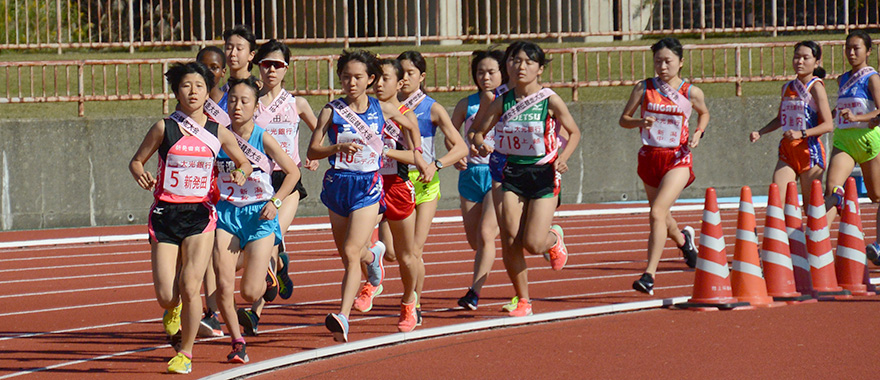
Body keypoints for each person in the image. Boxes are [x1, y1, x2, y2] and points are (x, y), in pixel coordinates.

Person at [128, 62, 252, 374]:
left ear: (207, 90)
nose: (193, 91)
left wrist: (239, 172)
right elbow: (136, 161)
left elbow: (244, 162)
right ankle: (175, 309)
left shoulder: (217, 131)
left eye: (199, 85)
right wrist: (140, 173)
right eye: (186, 86)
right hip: (165, 214)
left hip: (200, 215)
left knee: (190, 282)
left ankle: (185, 352)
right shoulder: (164, 127)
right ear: (177, 91)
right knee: (166, 295)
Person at [308, 50, 418, 342]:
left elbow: (411, 125)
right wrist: (335, 149)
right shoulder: (331, 111)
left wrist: (416, 151)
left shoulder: (383, 108)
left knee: (350, 251)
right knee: (351, 256)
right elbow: (312, 151)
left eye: (357, 77)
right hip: (337, 185)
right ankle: (374, 256)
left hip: (368, 186)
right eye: (345, 77)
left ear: (370, 79)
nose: (351, 82)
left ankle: (343, 316)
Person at [472, 41, 581, 317]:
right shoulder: (502, 100)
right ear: (507, 65)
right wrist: (482, 143)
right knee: (510, 237)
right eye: (515, 61)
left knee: (532, 243)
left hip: (543, 173)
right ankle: (524, 300)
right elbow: (478, 132)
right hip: (511, 173)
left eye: (528, 62)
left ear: (540, 69)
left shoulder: (549, 99)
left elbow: (574, 132)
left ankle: (553, 240)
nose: (521, 67)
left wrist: (563, 157)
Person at [234, 39, 320, 336]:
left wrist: (314, 154)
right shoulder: (250, 100)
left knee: (268, 242)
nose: (271, 70)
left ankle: (254, 314)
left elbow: (320, 130)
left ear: (287, 68)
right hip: (255, 183)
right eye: (266, 64)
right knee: (257, 250)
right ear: (258, 64)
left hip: (287, 183)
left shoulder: (297, 103)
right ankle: (279, 269)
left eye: (278, 65)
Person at [213, 76, 301, 364]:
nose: (237, 106)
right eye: (233, 100)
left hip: (260, 215)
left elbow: (293, 173)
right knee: (224, 284)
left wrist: (276, 203)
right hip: (228, 212)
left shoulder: (262, 137)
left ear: (255, 106)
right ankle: (237, 341)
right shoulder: (217, 135)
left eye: (245, 101)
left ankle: (268, 270)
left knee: (250, 291)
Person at [618, 37, 709, 295]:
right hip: (649, 158)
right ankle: (685, 243)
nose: (662, 66)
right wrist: (639, 123)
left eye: (668, 61)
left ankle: (649, 275)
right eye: (657, 61)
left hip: (677, 158)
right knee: (662, 216)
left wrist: (698, 132)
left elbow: (704, 112)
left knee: (657, 213)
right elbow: (623, 119)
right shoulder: (644, 88)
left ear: (680, 62)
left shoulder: (691, 92)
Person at [397, 50, 468, 323]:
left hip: (426, 183)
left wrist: (436, 164)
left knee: (415, 251)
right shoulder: (387, 106)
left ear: (421, 77)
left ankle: (414, 302)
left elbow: (460, 146)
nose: (404, 79)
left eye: (410, 73)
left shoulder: (432, 108)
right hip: (397, 181)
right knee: (394, 252)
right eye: (400, 73)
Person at [367, 58, 429, 332]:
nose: (379, 84)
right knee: (354, 247)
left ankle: (408, 302)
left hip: (397, 187)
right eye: (376, 78)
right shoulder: (363, 110)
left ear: (399, 82)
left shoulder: (406, 115)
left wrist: (385, 152)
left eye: (386, 79)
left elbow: (416, 156)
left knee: (406, 255)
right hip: (368, 184)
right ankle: (372, 269)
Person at [750, 40, 833, 211]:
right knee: (776, 204)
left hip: (809, 152)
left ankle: (834, 203)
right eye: (796, 57)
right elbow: (781, 118)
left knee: (812, 210)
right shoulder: (787, 87)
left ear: (816, 62)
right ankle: (783, 238)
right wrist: (761, 132)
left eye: (805, 58)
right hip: (788, 151)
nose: (800, 62)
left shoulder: (816, 87)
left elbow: (828, 125)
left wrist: (801, 133)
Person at [452, 49, 506, 310]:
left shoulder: (510, 100)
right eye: (480, 72)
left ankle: (473, 292)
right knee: (475, 241)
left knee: (486, 233)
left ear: (502, 73)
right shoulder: (467, 104)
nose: (485, 77)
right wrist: (456, 155)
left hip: (498, 173)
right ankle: (542, 234)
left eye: (491, 72)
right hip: (470, 174)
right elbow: (451, 135)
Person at [821, 31, 880, 263]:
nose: (852, 53)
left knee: (877, 196)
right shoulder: (842, 79)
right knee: (833, 189)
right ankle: (819, 239)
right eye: (848, 48)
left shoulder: (872, 78)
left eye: (856, 48)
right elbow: (839, 108)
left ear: (868, 51)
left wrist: (859, 117)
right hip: (844, 141)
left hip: (869, 142)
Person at [195, 46, 227, 338]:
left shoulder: (234, 101)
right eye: (203, 66)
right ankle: (212, 312)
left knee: (227, 254)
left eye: (215, 67)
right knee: (208, 253)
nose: (209, 72)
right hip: (205, 186)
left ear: (223, 72)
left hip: (236, 186)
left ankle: (270, 258)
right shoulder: (190, 100)